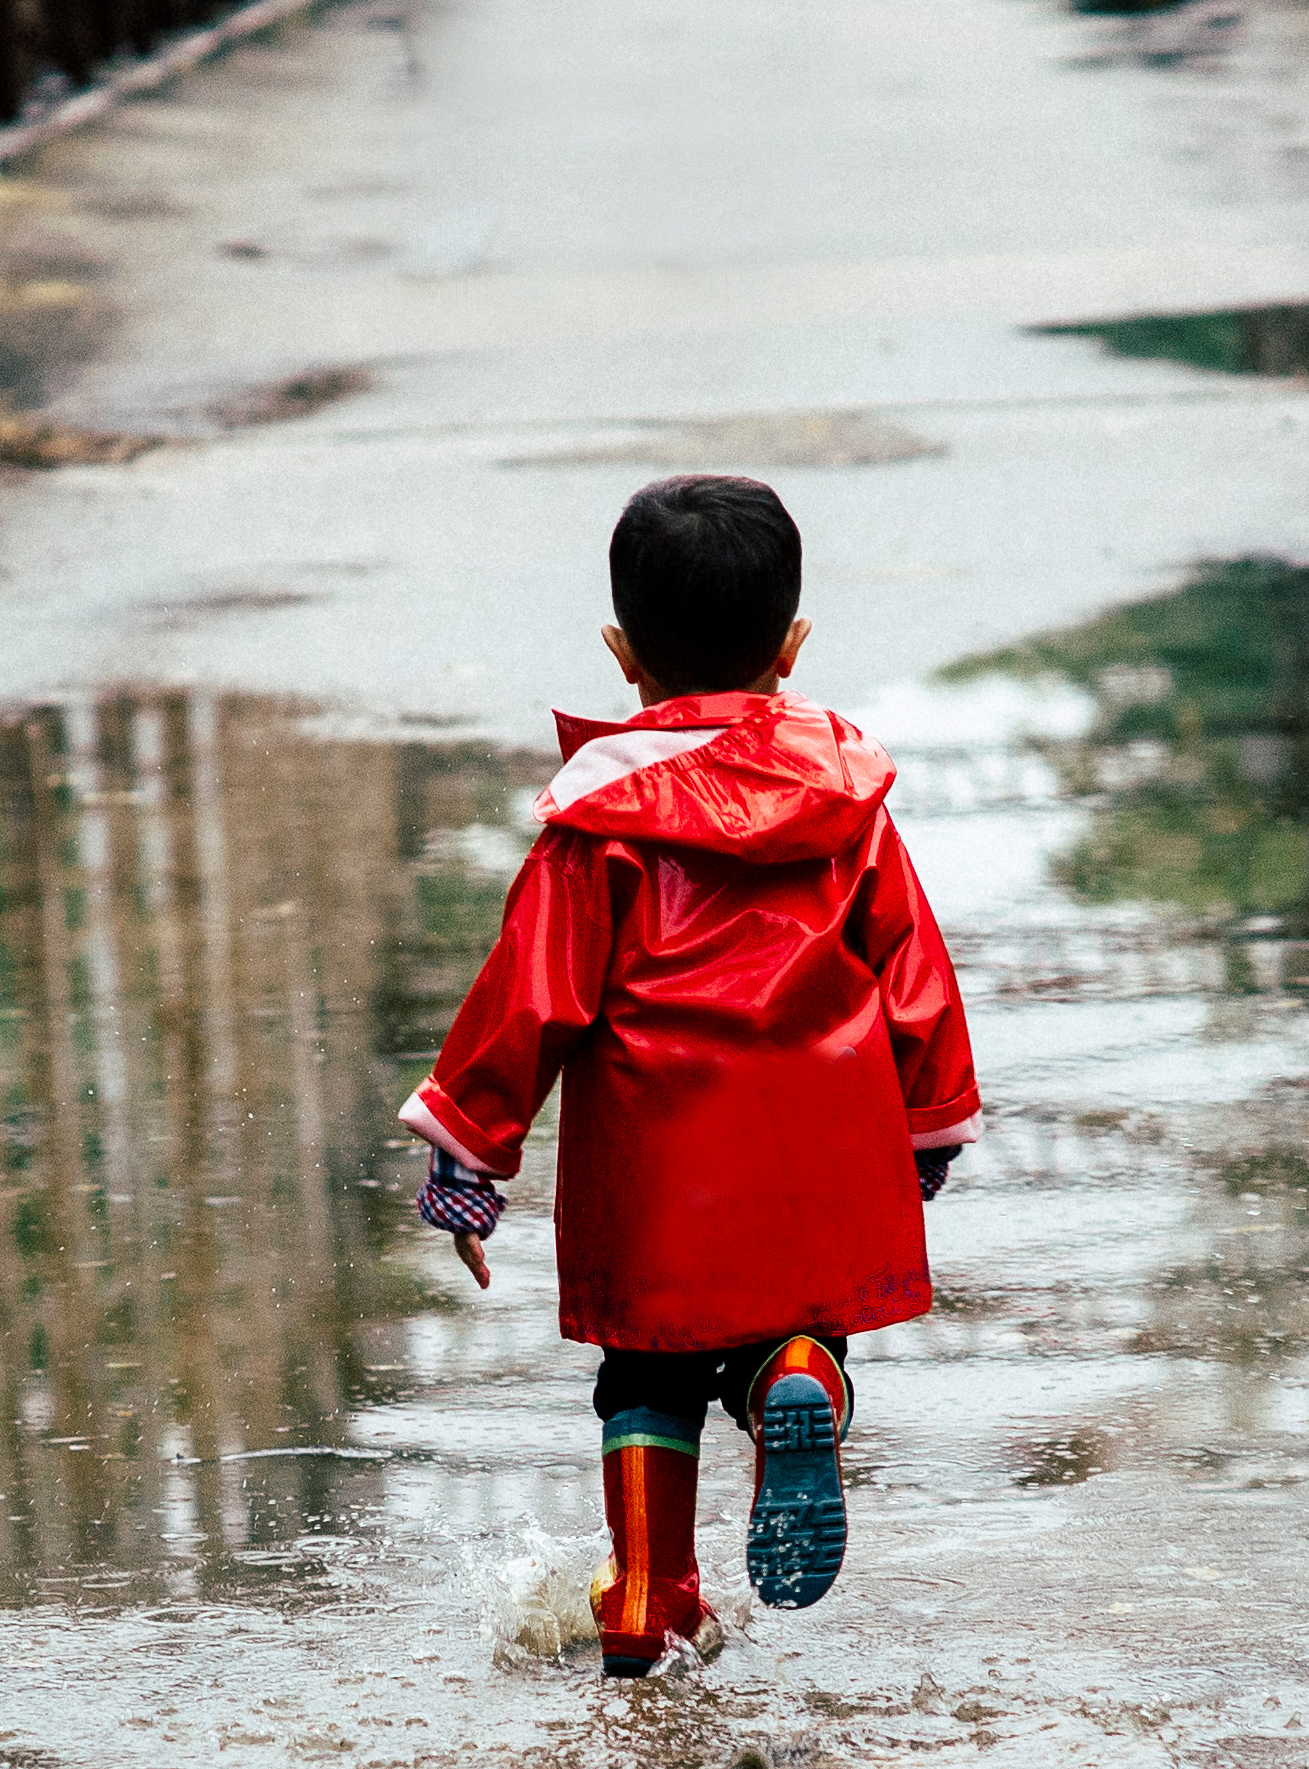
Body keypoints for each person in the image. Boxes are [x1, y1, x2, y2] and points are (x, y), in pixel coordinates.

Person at [401, 474, 983, 1680]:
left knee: (645, 1378)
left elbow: (532, 994)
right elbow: (909, 963)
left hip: (662, 1169)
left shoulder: (597, 824)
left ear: (622, 657)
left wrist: (468, 1164)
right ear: (792, 645)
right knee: (795, 1322)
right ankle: (798, 1372)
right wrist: (924, 1128)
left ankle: (650, 1598)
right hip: (820, 1154)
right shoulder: (848, 805)